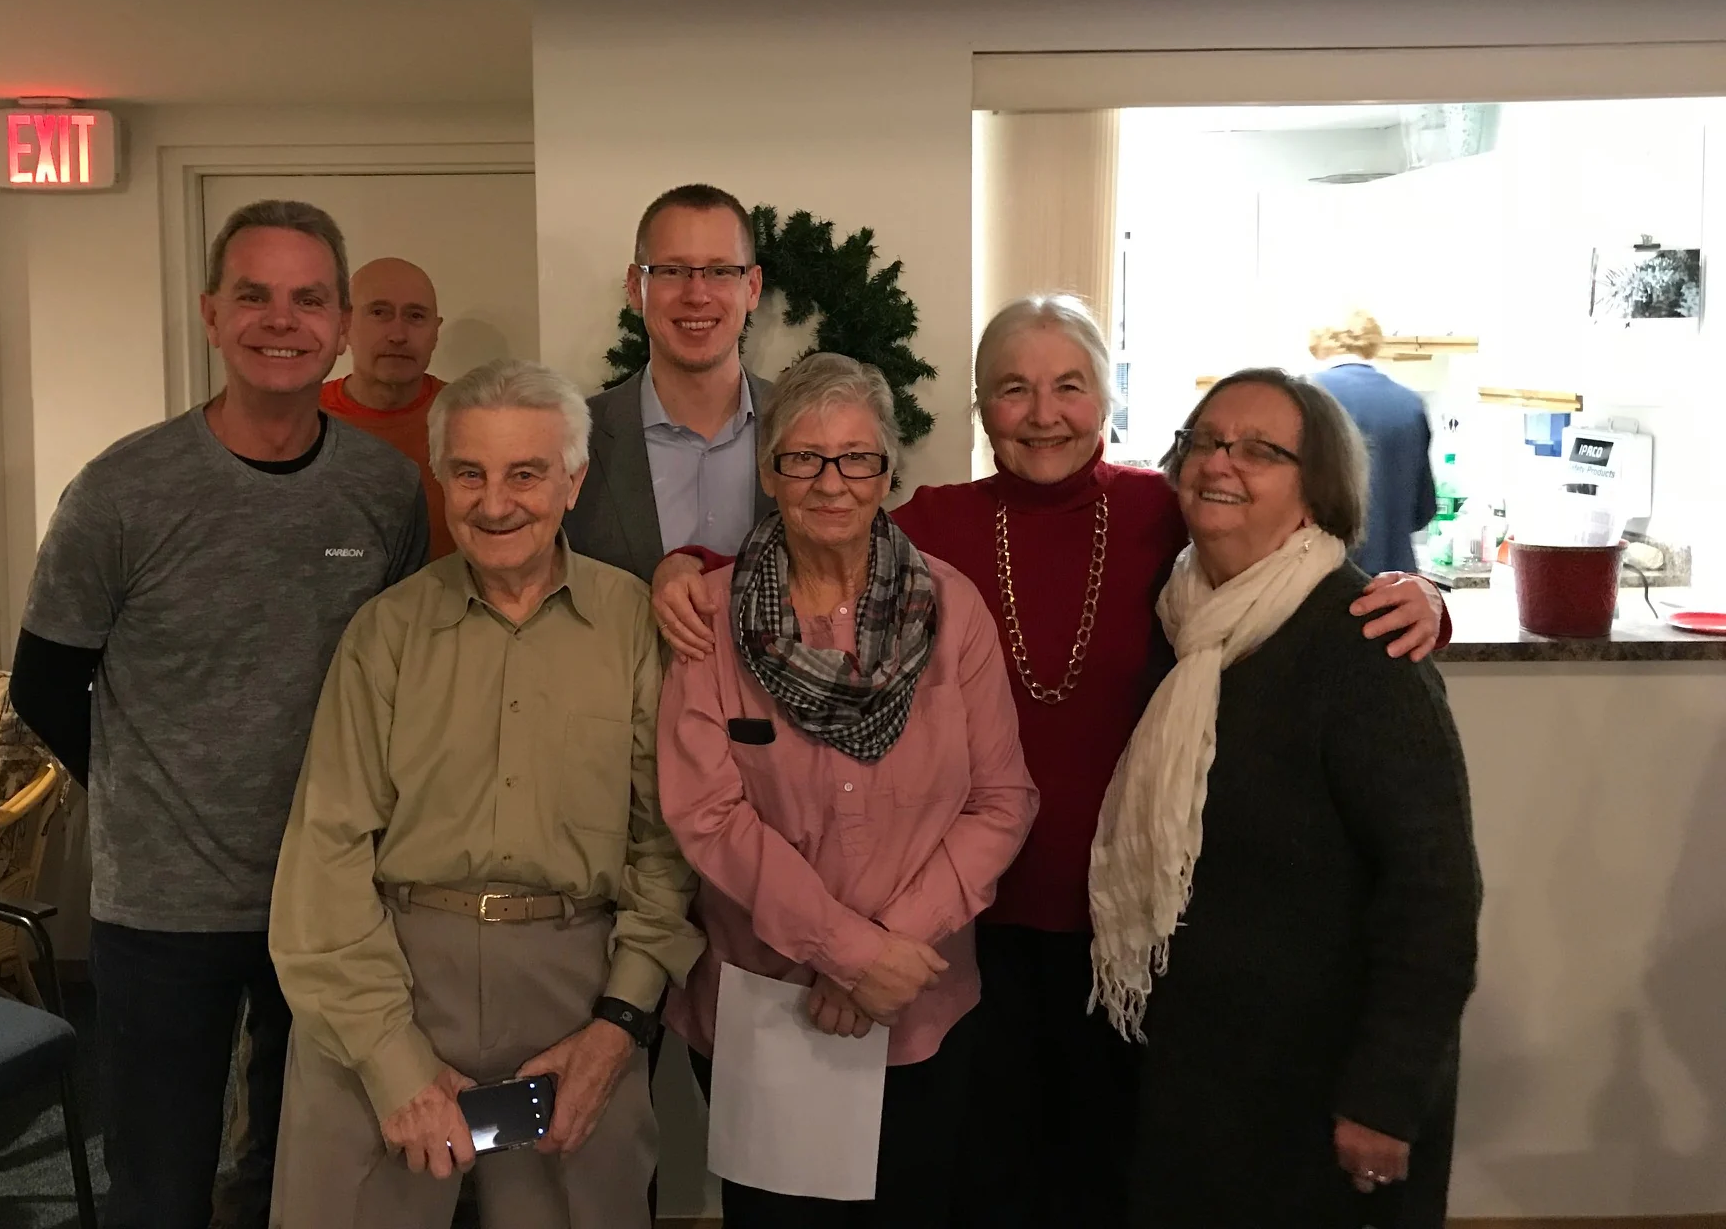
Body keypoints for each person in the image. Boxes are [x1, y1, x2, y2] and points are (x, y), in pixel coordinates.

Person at [652, 295, 1450, 1228]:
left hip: (1130, 924)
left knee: (1113, 1177)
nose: (1042, 414)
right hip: (968, 934)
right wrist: (683, 567)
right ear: (982, 409)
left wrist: (1423, 591)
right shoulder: (938, 524)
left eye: (1069, 387)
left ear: (1107, 399)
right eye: (1013, 390)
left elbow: (1294, 566)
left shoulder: (1168, 508)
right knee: (979, 1184)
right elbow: (815, 528)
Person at [10, 199, 429, 1229]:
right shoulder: (121, 493)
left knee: (301, 1177)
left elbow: (403, 673)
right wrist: (154, 796)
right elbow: (44, 681)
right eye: (254, 295)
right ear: (210, 315)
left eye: (307, 299)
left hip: (331, 896)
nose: (279, 321)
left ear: (338, 325)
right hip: (163, 909)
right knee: (161, 1182)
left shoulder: (384, 489)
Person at [268, 359, 705, 1229]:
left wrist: (619, 1024)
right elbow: (326, 855)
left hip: (574, 991)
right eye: (470, 472)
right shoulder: (384, 635)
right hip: (386, 979)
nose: (495, 502)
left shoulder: (634, 629)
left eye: (526, 474)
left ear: (574, 484)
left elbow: (666, 846)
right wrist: (393, 1066)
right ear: (441, 479)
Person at [657, 352, 1038, 1229]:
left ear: (888, 471)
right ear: (770, 471)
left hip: (920, 1000)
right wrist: (846, 953)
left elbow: (1002, 801)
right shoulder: (709, 619)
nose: (831, 482)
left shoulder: (956, 610)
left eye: (857, 457)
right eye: (804, 457)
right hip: (768, 1006)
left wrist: (879, 955)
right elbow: (707, 816)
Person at [1096, 367, 1480, 1228]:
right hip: (1201, 1074)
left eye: (1261, 450)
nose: (1221, 463)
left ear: (1317, 492)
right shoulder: (1182, 621)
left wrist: (1385, 1098)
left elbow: (1435, 892)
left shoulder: (1363, 645)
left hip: (1321, 1088)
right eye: (1205, 440)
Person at [565, 183, 774, 583]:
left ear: (752, 287)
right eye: (672, 271)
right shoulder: (573, 439)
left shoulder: (805, 431)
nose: (697, 295)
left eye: (719, 271)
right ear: (634, 287)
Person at [322, 255, 454, 558]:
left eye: (416, 316)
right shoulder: (300, 420)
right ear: (344, 325)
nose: (398, 335)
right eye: (379, 313)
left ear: (436, 331)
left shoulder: (470, 417)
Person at [1309, 311, 1437, 575]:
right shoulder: (1410, 403)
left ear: (1319, 344)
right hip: (1397, 586)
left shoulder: (1307, 397)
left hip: (1325, 582)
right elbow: (1423, 511)